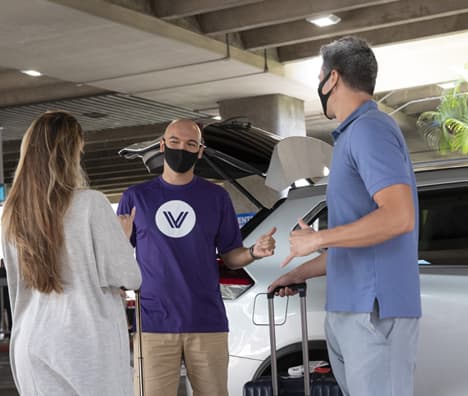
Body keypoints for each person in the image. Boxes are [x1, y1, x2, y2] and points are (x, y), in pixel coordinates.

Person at [268, 36, 421, 396]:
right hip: (354, 307)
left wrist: (318, 238)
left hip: (373, 311)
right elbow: (357, 244)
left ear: (332, 78)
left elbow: (399, 217)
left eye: (319, 75)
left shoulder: (370, 129)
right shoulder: (353, 136)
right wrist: (297, 272)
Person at [118, 119, 276, 396]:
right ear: (162, 146)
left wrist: (253, 252)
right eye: (175, 142)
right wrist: (118, 240)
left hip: (207, 322)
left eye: (191, 144)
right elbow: (117, 263)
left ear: (200, 151)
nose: (182, 148)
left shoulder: (216, 197)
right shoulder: (136, 197)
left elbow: (231, 257)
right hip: (153, 324)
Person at [1, 110, 142, 396]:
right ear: (71, 152)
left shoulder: (11, 214)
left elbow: (17, 286)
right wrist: (122, 237)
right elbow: (129, 276)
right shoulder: (90, 204)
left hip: (31, 341)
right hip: (85, 343)